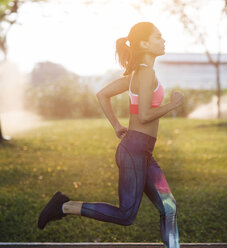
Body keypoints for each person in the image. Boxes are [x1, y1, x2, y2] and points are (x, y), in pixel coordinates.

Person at [37, 21, 184, 248]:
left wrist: (117, 126)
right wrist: (173, 105)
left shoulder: (137, 75)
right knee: (126, 215)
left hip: (141, 151)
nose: (163, 40)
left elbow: (102, 94)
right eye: (158, 37)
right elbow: (145, 116)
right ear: (144, 43)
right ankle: (64, 206)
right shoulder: (144, 74)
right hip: (134, 151)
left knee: (169, 207)